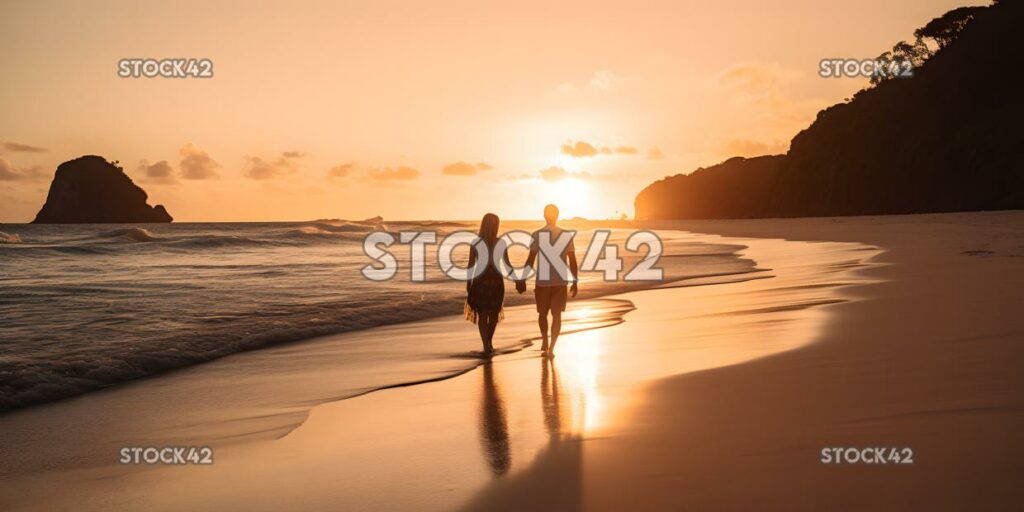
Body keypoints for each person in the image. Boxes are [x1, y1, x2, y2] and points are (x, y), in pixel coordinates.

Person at [516, 204, 578, 357]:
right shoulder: (566, 235)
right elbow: (573, 261)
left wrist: (522, 279)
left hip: (543, 281)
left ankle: (545, 339)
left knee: (542, 314)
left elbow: (531, 259)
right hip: (560, 281)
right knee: (557, 315)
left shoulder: (537, 234)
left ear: (544, 215)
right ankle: (551, 348)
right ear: (557, 216)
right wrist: (575, 282)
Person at [465, 213, 513, 355]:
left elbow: (470, 265)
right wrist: (518, 280)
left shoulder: (476, 242)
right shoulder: (501, 243)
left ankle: (486, 344)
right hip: (496, 280)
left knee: (482, 314)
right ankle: (489, 343)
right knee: (493, 315)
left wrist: (468, 282)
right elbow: (507, 265)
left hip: (480, 279)